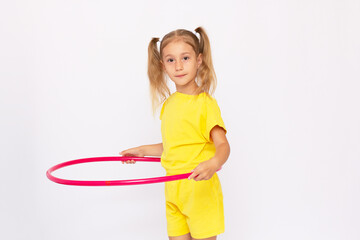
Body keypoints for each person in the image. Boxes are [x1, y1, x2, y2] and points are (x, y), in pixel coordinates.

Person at [120, 27, 230, 240]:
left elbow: (223, 146)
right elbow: (174, 147)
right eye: (171, 60)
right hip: (173, 191)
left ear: (199, 60)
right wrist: (142, 150)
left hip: (199, 191)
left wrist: (214, 162)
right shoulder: (169, 105)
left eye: (185, 58)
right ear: (162, 65)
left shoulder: (205, 104)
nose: (178, 66)